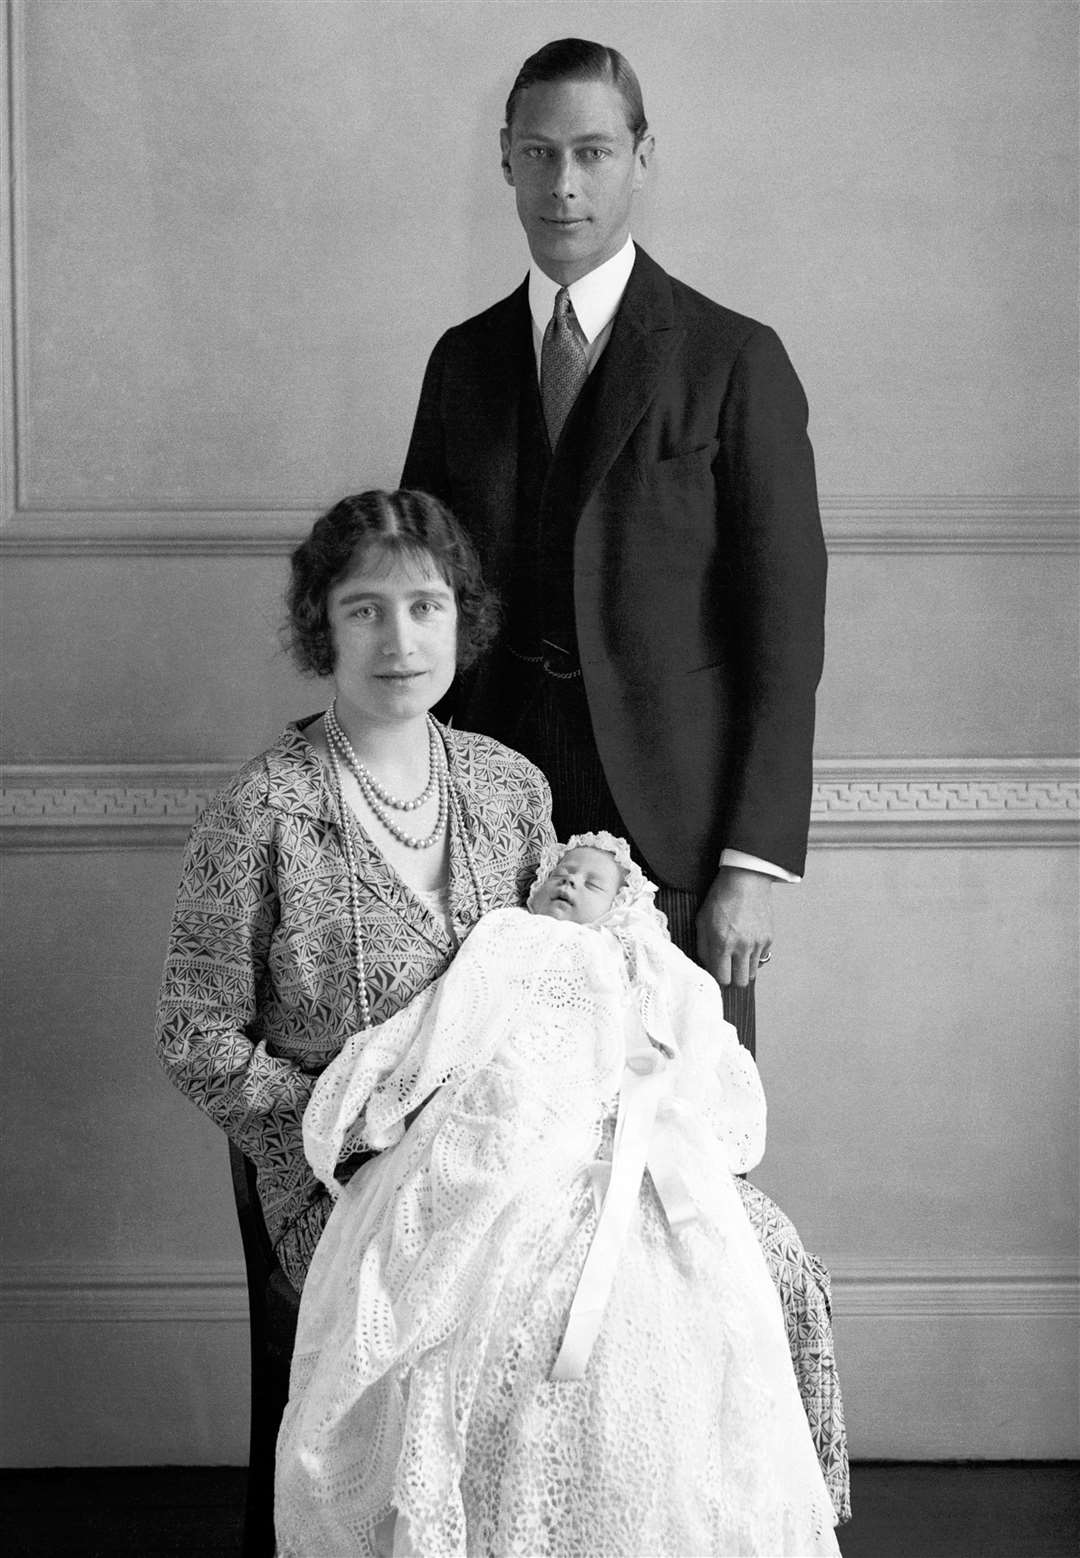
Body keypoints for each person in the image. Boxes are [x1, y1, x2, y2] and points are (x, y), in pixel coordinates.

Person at [401, 37, 828, 1057]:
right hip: (494, 828)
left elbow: (785, 634)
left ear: (643, 156)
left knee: (678, 1152)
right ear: (505, 159)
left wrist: (751, 867)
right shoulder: (462, 364)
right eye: (540, 154)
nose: (565, 185)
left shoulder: (733, 360)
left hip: (677, 830)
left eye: (593, 152)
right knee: (505, 1147)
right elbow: (417, 603)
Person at [274, 833, 841, 1556]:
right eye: (562, 874)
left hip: (617, 1112)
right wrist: (382, 1096)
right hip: (522, 1100)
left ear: (621, 907)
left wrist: (657, 1092)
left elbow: (692, 1031)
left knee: (694, 1284)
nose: (571, 884)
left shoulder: (638, 958)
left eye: (593, 882)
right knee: (492, 1202)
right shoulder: (509, 937)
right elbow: (451, 1018)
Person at [156, 489, 555, 1290]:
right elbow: (195, 1038)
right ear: (323, 627)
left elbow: (558, 982)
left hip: (520, 1151)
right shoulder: (261, 813)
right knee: (536, 1301)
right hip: (351, 1187)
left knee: (742, 1262)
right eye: (366, 610)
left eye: (425, 606)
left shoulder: (510, 787)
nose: (401, 641)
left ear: (459, 620)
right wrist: (345, 1126)